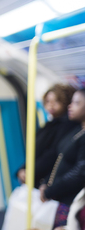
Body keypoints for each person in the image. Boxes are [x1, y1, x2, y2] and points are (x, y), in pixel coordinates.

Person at [39, 88, 85, 228]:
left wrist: (51, 190)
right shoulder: (77, 131)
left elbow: (79, 172)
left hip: (71, 199)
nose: (70, 106)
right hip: (61, 197)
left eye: (77, 103)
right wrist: (46, 182)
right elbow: (59, 160)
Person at [17, 84, 77, 188]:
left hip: (46, 179)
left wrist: (30, 172)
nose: (51, 105)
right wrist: (23, 169)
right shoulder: (50, 124)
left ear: (66, 102)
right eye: (48, 101)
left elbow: (52, 155)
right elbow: (37, 153)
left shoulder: (66, 126)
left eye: (56, 101)